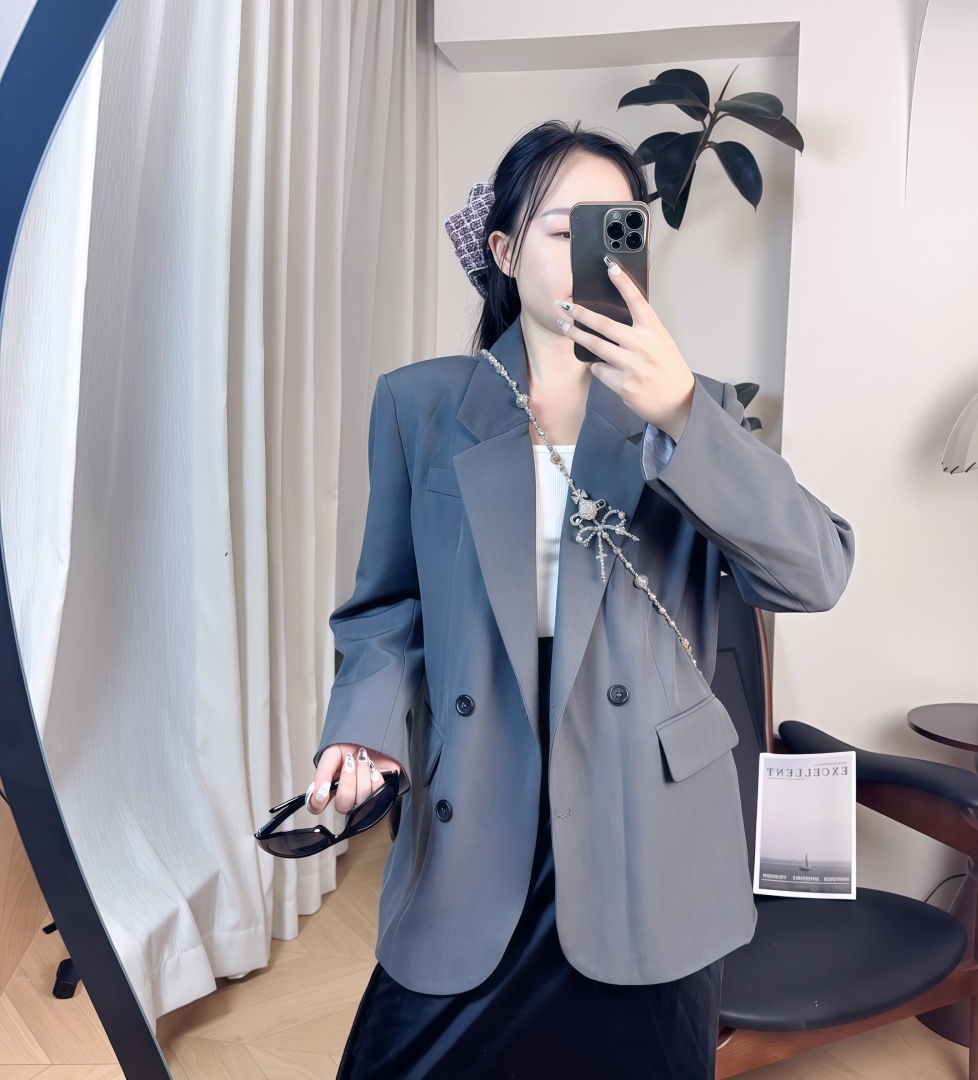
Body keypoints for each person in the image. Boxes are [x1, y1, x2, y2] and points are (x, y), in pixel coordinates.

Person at [307, 119, 856, 1078]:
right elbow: (388, 611)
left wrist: (681, 414)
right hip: (477, 809)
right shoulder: (420, 405)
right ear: (504, 251)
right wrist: (365, 735)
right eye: (564, 230)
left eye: (617, 226)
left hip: (646, 830)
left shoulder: (696, 406)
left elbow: (815, 574)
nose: (592, 252)